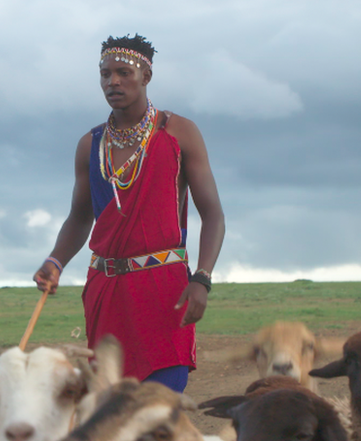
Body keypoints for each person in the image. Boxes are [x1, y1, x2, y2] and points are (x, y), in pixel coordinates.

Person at [33, 34, 225, 393]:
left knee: (159, 409)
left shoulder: (178, 133)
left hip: (165, 290)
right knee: (106, 408)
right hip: (106, 290)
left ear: (146, 77)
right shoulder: (90, 145)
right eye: (105, 74)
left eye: (123, 73)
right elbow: (79, 216)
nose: (113, 82)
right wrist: (56, 261)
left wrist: (202, 278)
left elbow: (213, 214)